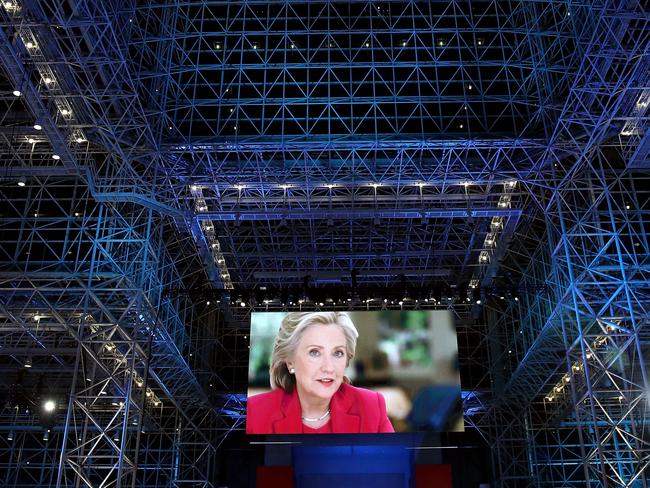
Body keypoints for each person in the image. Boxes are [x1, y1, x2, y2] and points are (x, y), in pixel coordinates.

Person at [247, 312, 394, 434]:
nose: (328, 367)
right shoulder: (254, 412)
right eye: (315, 352)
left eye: (337, 353)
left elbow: (392, 464)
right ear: (290, 361)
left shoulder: (370, 406)